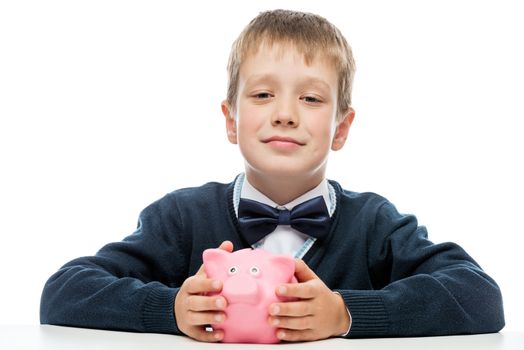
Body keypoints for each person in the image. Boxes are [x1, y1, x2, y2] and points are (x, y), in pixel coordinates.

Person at [40, 9, 505, 342]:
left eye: (310, 99)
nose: (284, 114)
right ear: (230, 120)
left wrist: (345, 313)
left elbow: (479, 296)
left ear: (341, 128)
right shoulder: (182, 216)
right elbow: (64, 291)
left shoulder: (375, 224)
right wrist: (170, 309)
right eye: (262, 95)